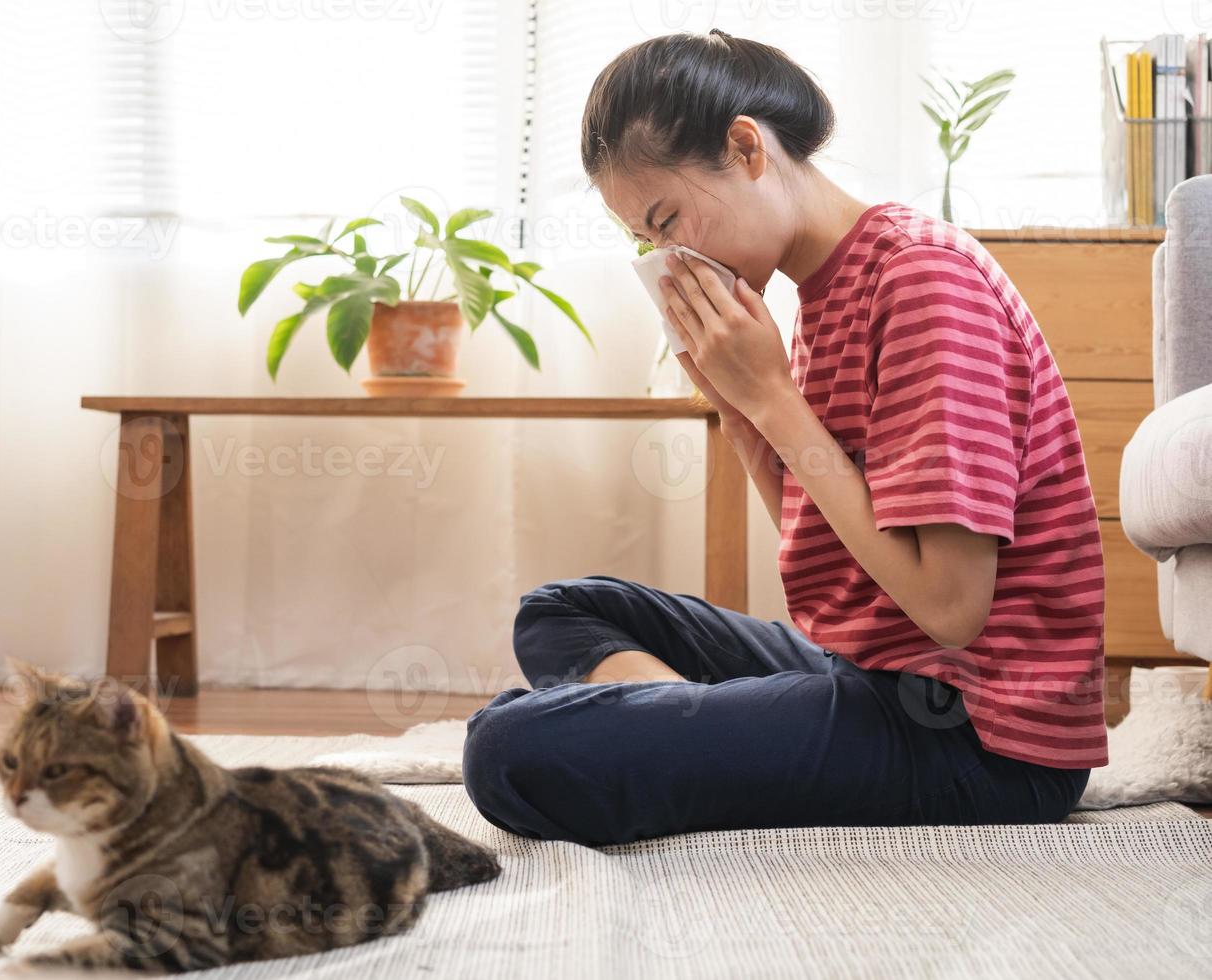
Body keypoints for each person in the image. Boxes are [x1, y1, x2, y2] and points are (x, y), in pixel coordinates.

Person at [461, 30, 1106, 846]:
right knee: (561, 614)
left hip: (978, 735)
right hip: (874, 673)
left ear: (745, 147)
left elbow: (949, 608)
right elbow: (829, 549)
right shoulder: (816, 289)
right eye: (648, 243)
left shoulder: (920, 278)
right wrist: (738, 404)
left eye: (667, 220)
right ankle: (671, 737)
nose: (671, 256)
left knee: (508, 748)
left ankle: (660, 738)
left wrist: (772, 398)